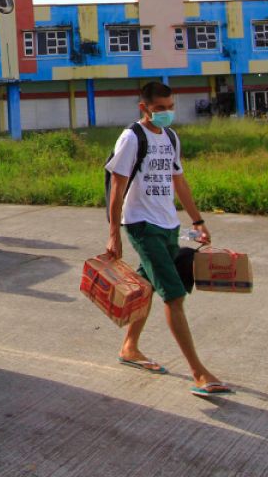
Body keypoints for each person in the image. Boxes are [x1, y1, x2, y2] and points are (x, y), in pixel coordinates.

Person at [105, 81, 233, 396]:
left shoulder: (171, 137)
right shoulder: (132, 138)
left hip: (168, 225)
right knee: (174, 296)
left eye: (170, 107)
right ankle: (199, 373)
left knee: (145, 287)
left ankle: (130, 347)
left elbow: (179, 181)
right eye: (160, 108)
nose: (166, 113)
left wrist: (198, 220)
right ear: (144, 107)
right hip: (142, 225)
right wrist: (113, 235)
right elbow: (117, 187)